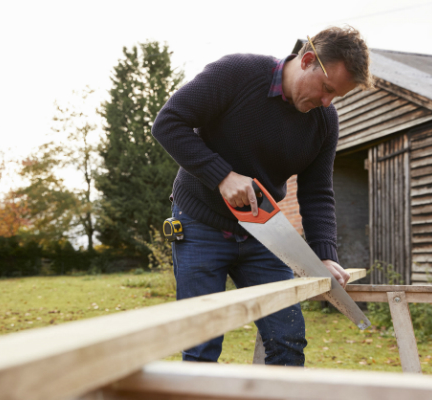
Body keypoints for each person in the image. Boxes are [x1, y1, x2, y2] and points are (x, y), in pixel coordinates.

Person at [151, 26, 374, 366]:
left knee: (287, 340)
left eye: (336, 97)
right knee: (201, 344)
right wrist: (221, 175)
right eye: (326, 89)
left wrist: (324, 255)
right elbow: (167, 123)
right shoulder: (236, 73)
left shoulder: (324, 121)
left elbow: (317, 193)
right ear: (308, 60)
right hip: (200, 224)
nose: (327, 102)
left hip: (263, 234)